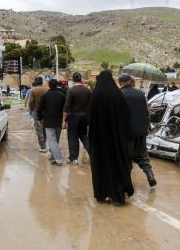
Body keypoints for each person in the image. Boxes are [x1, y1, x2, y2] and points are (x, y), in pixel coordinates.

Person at [88, 70, 134, 205]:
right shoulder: (117, 94)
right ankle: (118, 193)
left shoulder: (95, 95)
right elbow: (126, 114)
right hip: (116, 139)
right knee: (117, 162)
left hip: (99, 139)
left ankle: (104, 195)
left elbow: (89, 117)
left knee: (100, 164)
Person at [119, 74, 157, 187]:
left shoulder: (119, 95)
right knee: (143, 154)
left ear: (120, 83)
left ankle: (127, 182)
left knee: (127, 157)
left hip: (127, 133)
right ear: (130, 81)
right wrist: (147, 127)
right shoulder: (141, 94)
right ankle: (150, 175)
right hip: (141, 131)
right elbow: (146, 112)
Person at [62, 72, 91, 165]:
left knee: (73, 137)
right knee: (84, 136)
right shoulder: (87, 90)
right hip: (85, 117)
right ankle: (93, 154)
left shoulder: (71, 90)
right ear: (81, 79)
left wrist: (63, 120)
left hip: (74, 117)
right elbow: (90, 106)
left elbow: (66, 106)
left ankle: (73, 158)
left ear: (73, 80)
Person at [37, 79, 66, 166]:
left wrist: (39, 119)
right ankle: (52, 156)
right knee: (55, 141)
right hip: (59, 121)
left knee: (52, 141)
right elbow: (65, 109)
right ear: (57, 85)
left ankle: (58, 159)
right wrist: (65, 120)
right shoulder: (62, 95)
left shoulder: (45, 96)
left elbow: (39, 108)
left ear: (49, 86)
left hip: (48, 122)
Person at [28, 77, 49, 152]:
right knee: (45, 129)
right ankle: (45, 143)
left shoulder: (33, 90)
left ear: (35, 82)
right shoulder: (46, 90)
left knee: (39, 129)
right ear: (42, 82)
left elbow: (30, 102)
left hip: (36, 112)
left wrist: (32, 109)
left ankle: (43, 146)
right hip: (46, 112)